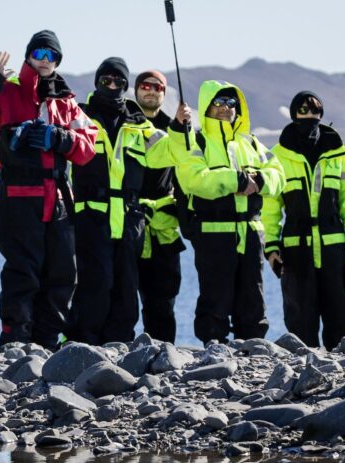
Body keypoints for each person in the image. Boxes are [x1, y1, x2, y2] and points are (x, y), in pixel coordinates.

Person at [0, 30, 97, 348]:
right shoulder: (6, 92)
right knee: (23, 272)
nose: (45, 60)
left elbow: (88, 146)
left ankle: (47, 342)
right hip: (18, 197)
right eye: (39, 54)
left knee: (62, 274)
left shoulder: (66, 101)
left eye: (51, 55)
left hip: (58, 199)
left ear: (58, 60)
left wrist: (63, 139)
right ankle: (15, 343)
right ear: (29, 56)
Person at [64, 58, 176, 345]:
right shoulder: (80, 116)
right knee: (95, 283)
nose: (112, 86)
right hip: (92, 215)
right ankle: (83, 344)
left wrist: (181, 129)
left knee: (126, 285)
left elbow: (163, 153)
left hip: (128, 218)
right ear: (98, 82)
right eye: (106, 81)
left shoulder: (139, 124)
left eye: (118, 82)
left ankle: (121, 344)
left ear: (126, 87)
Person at [168, 81, 284, 345]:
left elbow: (279, 176)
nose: (225, 108)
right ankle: (213, 353)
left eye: (231, 103)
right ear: (207, 106)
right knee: (215, 299)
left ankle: (254, 351)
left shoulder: (251, 142)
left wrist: (260, 181)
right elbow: (194, 180)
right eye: (218, 103)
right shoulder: (196, 141)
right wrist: (238, 181)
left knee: (253, 298)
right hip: (213, 233)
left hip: (251, 232)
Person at [262, 91, 345, 350]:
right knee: (300, 324)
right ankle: (299, 376)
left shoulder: (338, 153)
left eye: (315, 112)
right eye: (303, 112)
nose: (310, 117)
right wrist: (271, 248)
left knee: (341, 321)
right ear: (293, 115)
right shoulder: (277, 156)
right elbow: (269, 207)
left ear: (321, 116)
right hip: (295, 253)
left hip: (335, 253)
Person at [133, 70, 186, 343]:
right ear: (136, 90)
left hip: (163, 229)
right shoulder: (123, 125)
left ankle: (164, 356)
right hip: (127, 224)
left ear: (164, 94)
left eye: (158, 87)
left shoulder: (175, 130)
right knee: (123, 300)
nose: (151, 90)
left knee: (163, 302)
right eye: (145, 85)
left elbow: (187, 178)